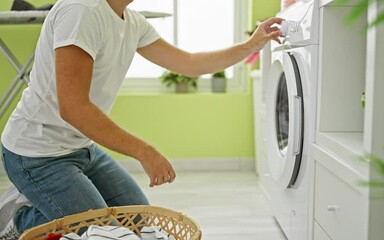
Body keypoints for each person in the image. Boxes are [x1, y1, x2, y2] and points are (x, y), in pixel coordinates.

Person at [0, 0, 283, 238]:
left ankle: (46, 201)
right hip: (36, 153)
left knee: (140, 226)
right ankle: (21, 218)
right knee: (104, 235)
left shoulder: (132, 22)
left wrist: (252, 44)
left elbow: (189, 64)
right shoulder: (81, 10)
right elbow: (73, 108)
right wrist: (144, 151)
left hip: (81, 147)